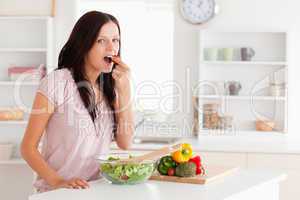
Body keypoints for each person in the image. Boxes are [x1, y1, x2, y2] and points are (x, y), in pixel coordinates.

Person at [20, 11, 134, 192]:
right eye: (101, 41)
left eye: (116, 40)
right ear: (85, 44)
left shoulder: (110, 89)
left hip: (94, 191)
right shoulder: (57, 82)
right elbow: (27, 148)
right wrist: (57, 181)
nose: (112, 48)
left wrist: (125, 91)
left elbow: (125, 143)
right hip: (56, 193)